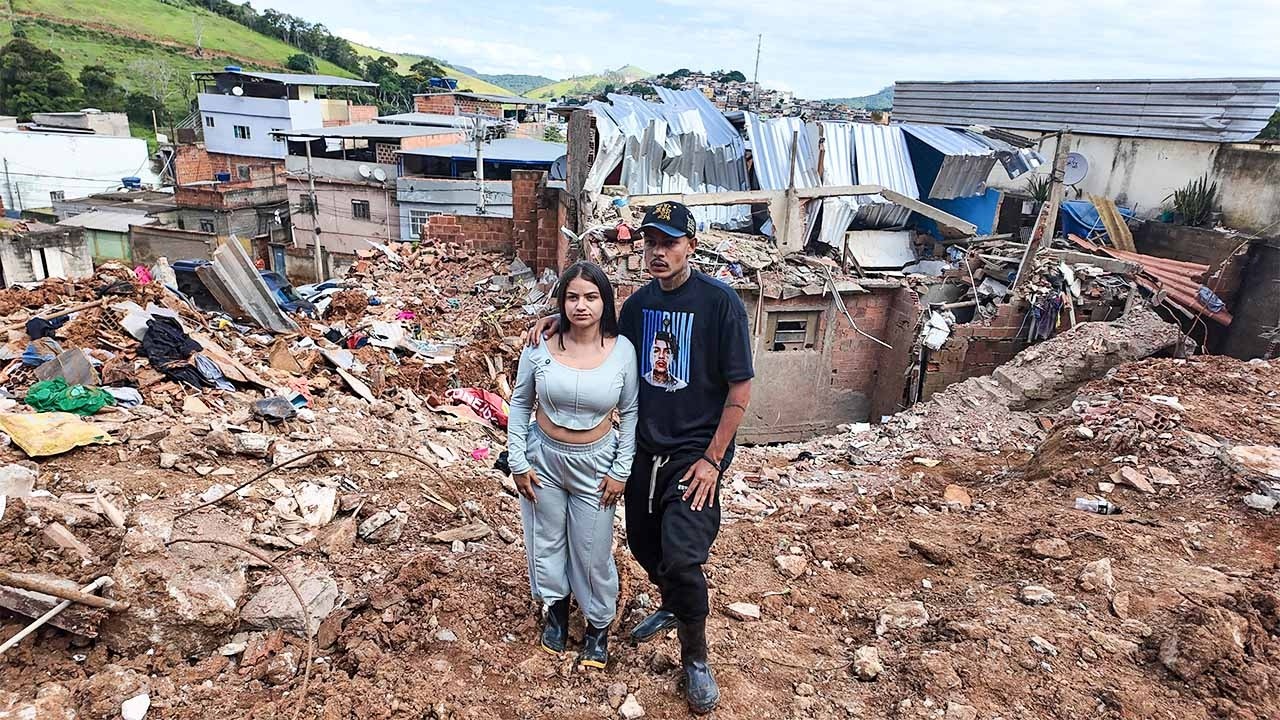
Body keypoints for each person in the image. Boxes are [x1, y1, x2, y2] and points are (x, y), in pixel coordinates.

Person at [528, 201, 754, 714]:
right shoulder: (638, 306)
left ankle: (695, 659)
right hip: (642, 452)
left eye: (669, 242)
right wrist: (556, 320)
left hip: (694, 457)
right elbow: (599, 337)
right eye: (651, 242)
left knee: (683, 556)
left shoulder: (719, 303)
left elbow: (740, 389)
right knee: (645, 547)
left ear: (691, 246)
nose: (658, 252)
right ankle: (672, 602)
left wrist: (713, 460)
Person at [507, 261, 638, 670]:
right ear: (561, 302)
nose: (582, 306)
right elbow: (521, 403)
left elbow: (631, 412)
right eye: (573, 297)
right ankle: (557, 612)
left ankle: (598, 625)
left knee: (592, 549)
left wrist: (621, 470)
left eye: (591, 297)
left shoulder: (622, 351)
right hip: (543, 458)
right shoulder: (540, 345)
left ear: (605, 302)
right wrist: (517, 460)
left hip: (596, 464)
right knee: (545, 540)